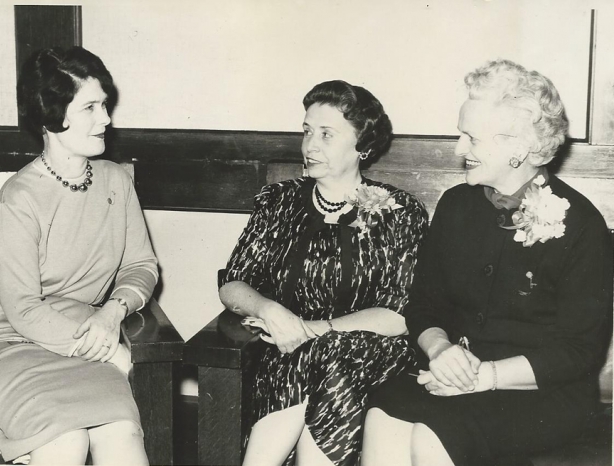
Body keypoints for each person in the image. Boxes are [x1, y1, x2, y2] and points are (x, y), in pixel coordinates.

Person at [362, 59, 613, 466]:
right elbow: (424, 303)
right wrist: (440, 348)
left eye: (471, 138)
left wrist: (484, 378)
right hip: (453, 374)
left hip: (542, 393)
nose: (460, 149)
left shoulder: (580, 224)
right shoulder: (455, 205)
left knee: (433, 435)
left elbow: (578, 351)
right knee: (384, 414)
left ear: (520, 149)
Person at [219, 80, 429, 466]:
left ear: (362, 146)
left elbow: (398, 315)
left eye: (326, 135)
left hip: (371, 356)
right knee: (312, 357)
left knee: (334, 354)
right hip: (286, 351)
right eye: (307, 131)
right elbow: (233, 282)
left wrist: (311, 329)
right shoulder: (279, 202)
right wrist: (269, 311)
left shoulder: (400, 212)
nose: (310, 145)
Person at [0, 47, 158, 465]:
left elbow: (141, 266)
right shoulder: (18, 200)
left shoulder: (115, 181)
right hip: (8, 342)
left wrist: (112, 314)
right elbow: (21, 308)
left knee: (121, 433)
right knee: (66, 441)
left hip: (88, 333)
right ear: (53, 115)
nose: (106, 118)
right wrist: (106, 348)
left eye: (105, 104)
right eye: (90, 107)